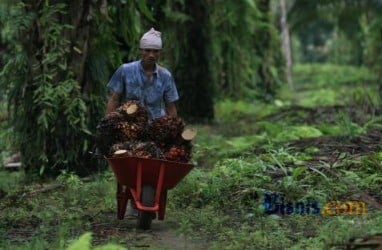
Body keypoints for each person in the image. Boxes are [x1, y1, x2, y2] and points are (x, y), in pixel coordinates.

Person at [105, 27, 179, 120]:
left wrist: (174, 130)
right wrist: (108, 124)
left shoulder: (165, 75)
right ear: (140, 50)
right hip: (129, 125)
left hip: (156, 126)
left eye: (155, 51)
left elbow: (170, 106)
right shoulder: (125, 70)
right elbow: (114, 100)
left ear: (160, 52)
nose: (151, 55)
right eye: (147, 50)